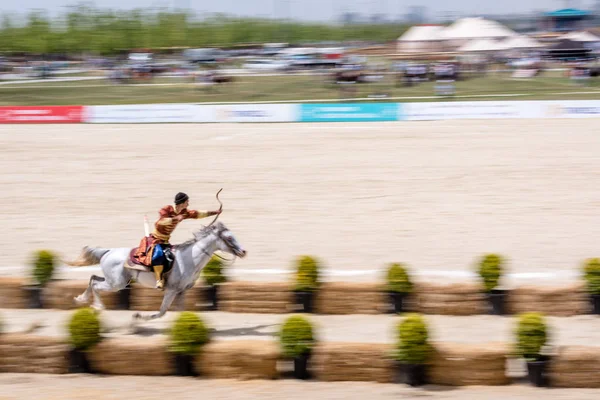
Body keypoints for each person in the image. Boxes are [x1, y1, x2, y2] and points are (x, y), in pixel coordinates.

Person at [132, 192, 221, 289]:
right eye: (187, 202)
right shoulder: (167, 209)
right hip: (156, 239)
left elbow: (196, 214)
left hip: (166, 241)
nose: (188, 204)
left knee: (175, 257)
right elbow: (160, 222)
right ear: (182, 203)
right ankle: (159, 280)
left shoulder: (184, 212)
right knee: (158, 255)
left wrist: (214, 212)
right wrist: (175, 218)